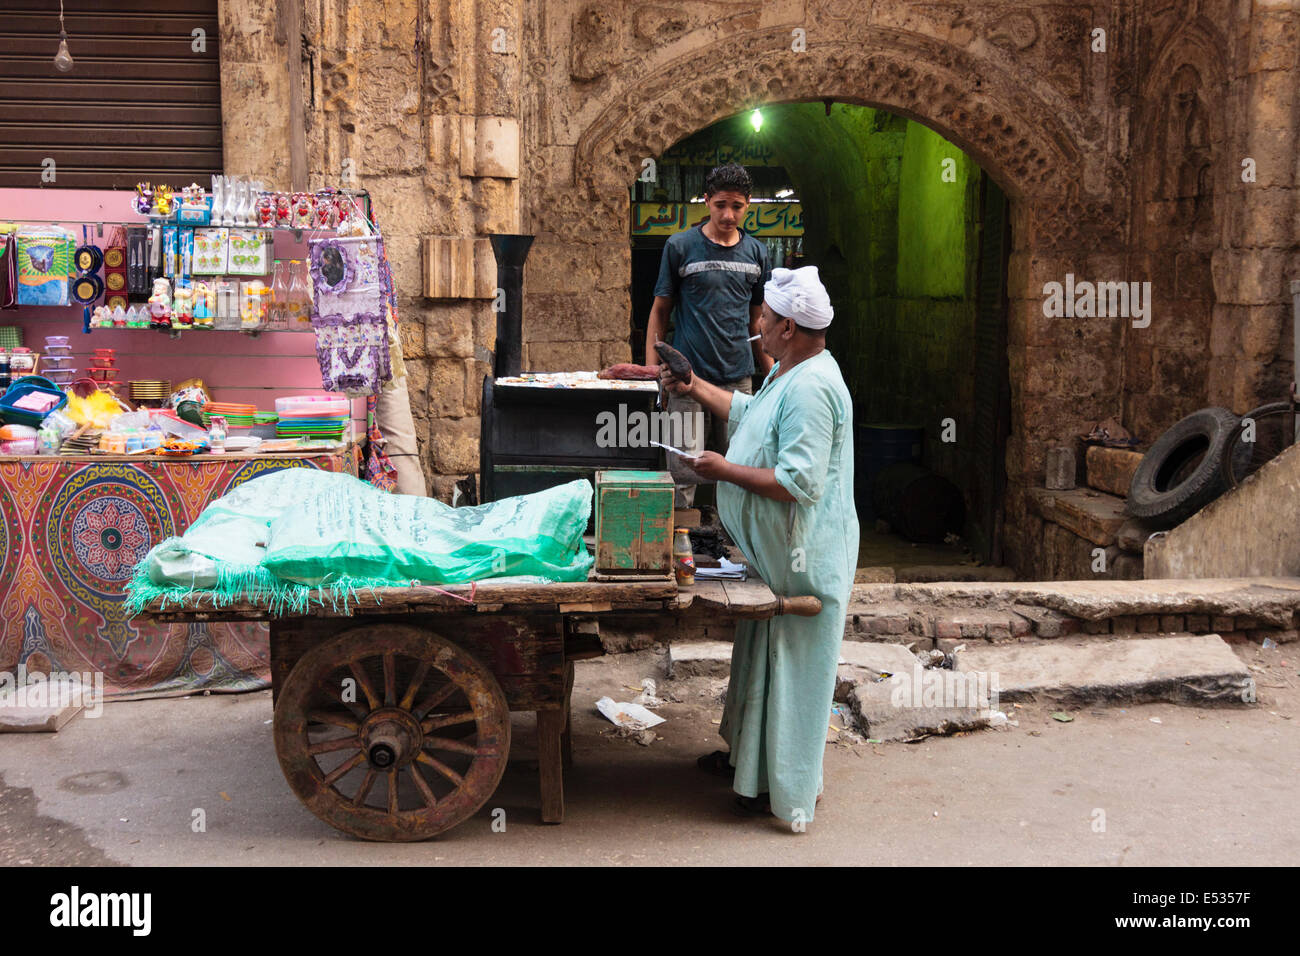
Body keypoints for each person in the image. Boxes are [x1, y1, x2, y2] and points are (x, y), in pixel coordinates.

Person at [659, 265, 858, 824]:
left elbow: (799, 484)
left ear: (789, 326)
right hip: (776, 558)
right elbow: (750, 413)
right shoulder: (787, 371)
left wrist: (723, 471)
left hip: (804, 557)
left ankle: (786, 789)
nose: (757, 326)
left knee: (793, 675)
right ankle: (749, 770)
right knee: (764, 662)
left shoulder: (814, 388)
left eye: (765, 319)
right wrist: (692, 384)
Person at [647, 162, 772, 508]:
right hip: (686, 379)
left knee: (740, 471)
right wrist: (652, 373)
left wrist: (773, 373)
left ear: (748, 204)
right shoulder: (680, 247)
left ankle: (733, 551)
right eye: (720, 205)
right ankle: (679, 552)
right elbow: (660, 311)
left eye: (737, 206)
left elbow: (758, 323)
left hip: (739, 383)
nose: (728, 215)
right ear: (706, 201)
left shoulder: (757, 254)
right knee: (683, 474)